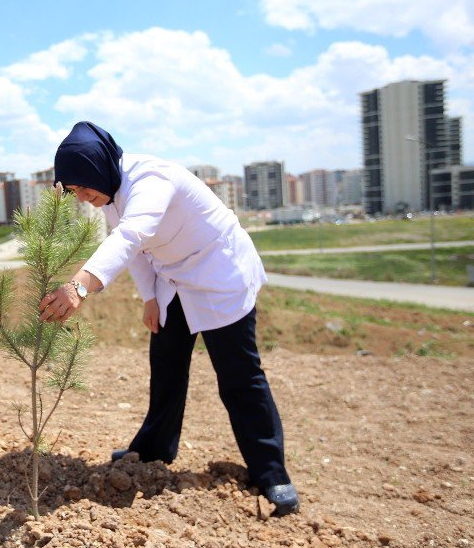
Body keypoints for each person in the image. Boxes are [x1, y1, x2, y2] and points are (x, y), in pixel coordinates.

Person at [38, 122, 299, 516]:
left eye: (82, 187)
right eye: (74, 191)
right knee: (166, 365)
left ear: (98, 168)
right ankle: (154, 450)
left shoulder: (152, 180)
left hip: (218, 275)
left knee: (239, 377)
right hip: (173, 281)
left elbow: (131, 236)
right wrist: (149, 299)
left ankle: (271, 474)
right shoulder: (108, 193)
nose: (81, 197)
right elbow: (139, 253)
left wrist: (79, 286)